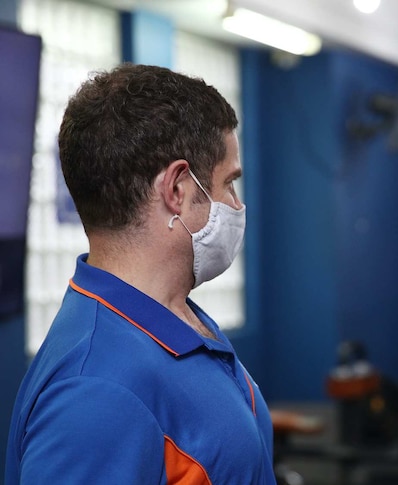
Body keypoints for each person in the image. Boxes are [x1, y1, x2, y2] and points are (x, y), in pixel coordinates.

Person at [6, 64, 276, 484]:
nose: (236, 205)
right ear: (177, 190)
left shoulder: (182, 318)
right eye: (229, 183)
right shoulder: (95, 393)